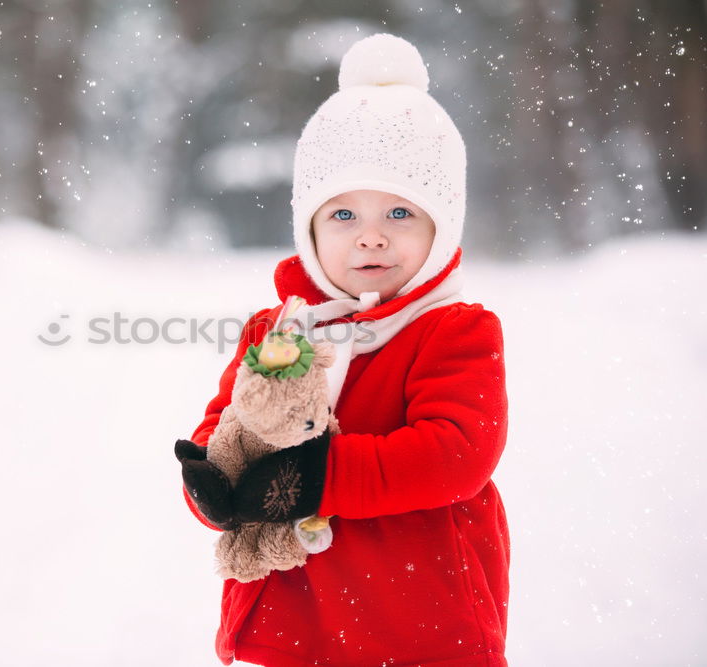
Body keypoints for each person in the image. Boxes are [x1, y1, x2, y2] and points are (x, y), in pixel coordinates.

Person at [175, 33, 510, 666]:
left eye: (401, 214)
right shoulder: (275, 331)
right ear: (309, 226)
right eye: (344, 216)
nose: (372, 239)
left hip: (417, 618)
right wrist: (215, 484)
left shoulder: (455, 330)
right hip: (292, 618)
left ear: (444, 225)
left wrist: (319, 478)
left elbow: (458, 452)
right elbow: (230, 423)